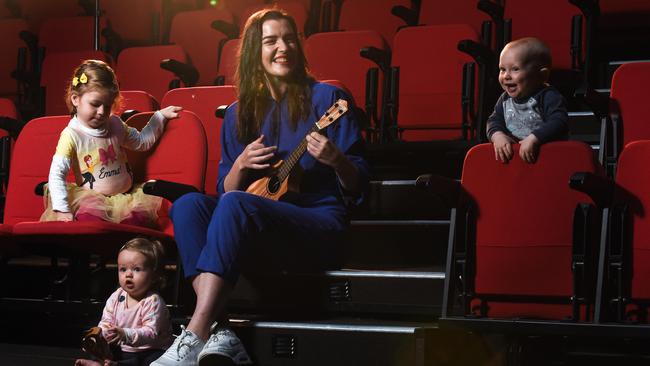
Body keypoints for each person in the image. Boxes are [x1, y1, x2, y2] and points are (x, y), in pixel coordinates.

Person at [151, 8, 369, 366]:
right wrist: (238, 166)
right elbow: (225, 197)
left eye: (289, 39)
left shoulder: (328, 100)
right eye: (271, 41)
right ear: (255, 51)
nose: (282, 47)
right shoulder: (239, 113)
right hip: (254, 229)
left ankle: (195, 332)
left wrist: (337, 160)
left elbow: (360, 187)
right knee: (188, 205)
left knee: (236, 204)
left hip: (316, 225)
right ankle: (223, 333)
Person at [40, 59, 182, 227]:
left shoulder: (115, 124)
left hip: (125, 197)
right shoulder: (71, 135)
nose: (101, 112)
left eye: (107, 106)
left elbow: (142, 142)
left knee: (139, 221)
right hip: (92, 201)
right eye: (95, 104)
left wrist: (159, 117)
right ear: (75, 99)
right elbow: (57, 174)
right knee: (91, 220)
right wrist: (62, 209)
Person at [75, 237, 173, 366]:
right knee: (106, 350)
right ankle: (100, 362)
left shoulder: (153, 301)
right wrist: (99, 337)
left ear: (154, 276)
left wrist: (126, 334)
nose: (128, 274)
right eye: (123, 269)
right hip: (124, 347)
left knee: (152, 361)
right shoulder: (116, 296)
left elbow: (151, 333)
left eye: (137, 269)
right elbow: (107, 322)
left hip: (149, 348)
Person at [486, 37, 569, 164]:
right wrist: (497, 136)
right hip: (517, 159)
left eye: (515, 69)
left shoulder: (548, 96)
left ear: (541, 75)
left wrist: (534, 138)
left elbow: (559, 121)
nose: (506, 76)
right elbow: (493, 120)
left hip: (549, 158)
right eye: (502, 69)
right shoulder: (504, 99)